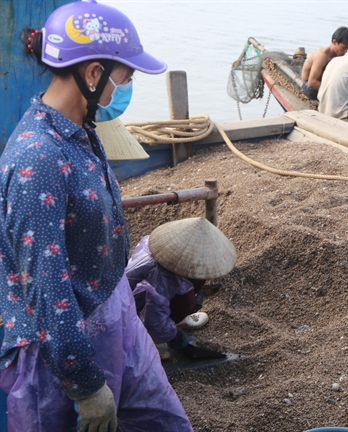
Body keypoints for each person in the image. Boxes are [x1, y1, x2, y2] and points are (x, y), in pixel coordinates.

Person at [0, 1, 193, 431]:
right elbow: (47, 292)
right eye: (124, 76)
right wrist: (86, 385)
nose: (123, 88)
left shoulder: (82, 130)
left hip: (112, 307)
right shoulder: (38, 159)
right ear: (92, 74)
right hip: (59, 350)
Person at [125, 217, 237, 360]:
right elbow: (154, 320)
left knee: (196, 288)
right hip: (135, 310)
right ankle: (149, 339)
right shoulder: (161, 281)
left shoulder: (153, 244)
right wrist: (180, 341)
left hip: (150, 295)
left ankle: (173, 321)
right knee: (187, 301)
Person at [301, 27, 348, 100]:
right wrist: (336, 91)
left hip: (324, 84)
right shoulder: (321, 56)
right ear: (334, 42)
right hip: (310, 88)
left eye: (347, 49)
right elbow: (312, 83)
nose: (345, 51)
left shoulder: (338, 54)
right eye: (343, 47)